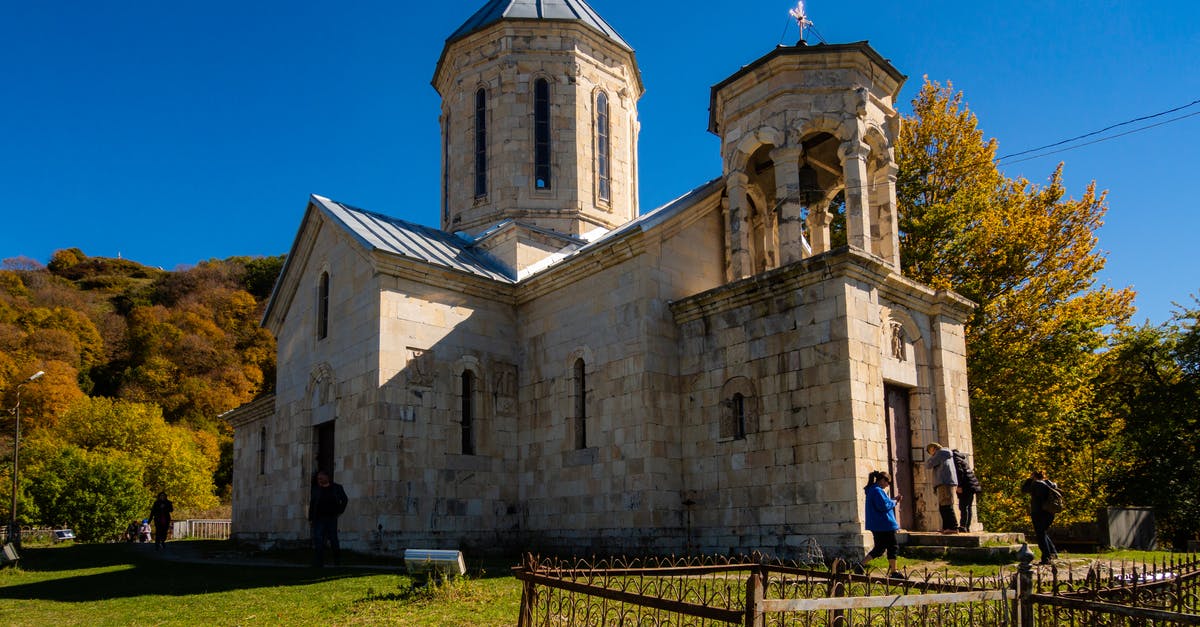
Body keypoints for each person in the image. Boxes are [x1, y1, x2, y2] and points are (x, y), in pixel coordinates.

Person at [856, 471, 906, 579]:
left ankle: (861, 565)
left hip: (876, 525)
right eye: (887, 482)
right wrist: (895, 502)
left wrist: (892, 500)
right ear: (882, 480)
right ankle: (894, 571)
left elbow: (883, 503)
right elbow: (883, 506)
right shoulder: (877, 491)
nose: (888, 485)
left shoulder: (871, 490)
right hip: (884, 524)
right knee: (893, 546)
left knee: (879, 548)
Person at [308, 470, 348, 567]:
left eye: (321, 478)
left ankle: (337, 561)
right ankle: (319, 562)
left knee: (333, 539)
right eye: (318, 479)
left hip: (331, 518)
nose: (319, 480)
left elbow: (345, 499)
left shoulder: (337, 488)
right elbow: (312, 504)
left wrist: (339, 511)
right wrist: (310, 518)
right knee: (318, 540)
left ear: (327, 477)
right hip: (319, 518)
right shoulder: (316, 490)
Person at [1021, 470, 1059, 564]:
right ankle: (1053, 553)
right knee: (1043, 532)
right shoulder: (1051, 484)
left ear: (1034, 476)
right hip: (1050, 512)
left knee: (1040, 535)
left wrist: (1030, 479)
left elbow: (1024, 489)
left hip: (1039, 512)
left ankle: (1046, 557)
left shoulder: (1036, 484)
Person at [924, 443, 959, 533]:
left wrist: (932, 457)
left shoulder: (940, 453)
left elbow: (928, 464)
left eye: (930, 451)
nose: (930, 453)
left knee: (946, 505)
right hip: (944, 482)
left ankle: (953, 527)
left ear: (933, 448)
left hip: (944, 482)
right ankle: (946, 527)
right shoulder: (944, 454)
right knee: (943, 506)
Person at [951, 449, 982, 532]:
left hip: (966, 487)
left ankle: (963, 526)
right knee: (968, 507)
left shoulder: (956, 460)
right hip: (971, 486)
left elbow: (960, 473)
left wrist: (959, 486)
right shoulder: (962, 459)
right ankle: (966, 527)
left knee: (963, 507)